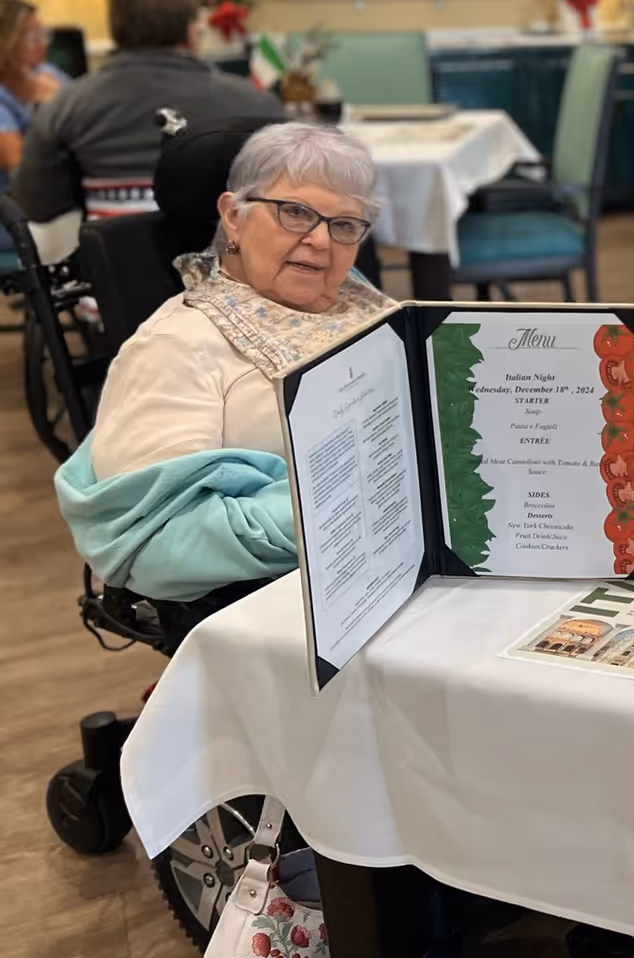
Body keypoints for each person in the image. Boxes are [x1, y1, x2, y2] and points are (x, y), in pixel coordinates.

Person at [56, 122, 393, 602]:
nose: (321, 240)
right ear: (234, 215)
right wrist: (351, 503)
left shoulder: (356, 297)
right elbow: (152, 545)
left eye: (344, 225)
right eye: (295, 213)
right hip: (298, 601)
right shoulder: (176, 345)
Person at [13, 0, 282, 223]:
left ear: (117, 33)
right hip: (230, 262)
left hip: (114, 266)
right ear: (190, 33)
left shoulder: (65, 106)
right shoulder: (256, 103)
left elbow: (35, 206)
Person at [0, 0, 69, 197]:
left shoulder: (46, 72)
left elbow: (89, 116)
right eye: (33, 37)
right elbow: (20, 168)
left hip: (54, 199)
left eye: (43, 33)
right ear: (6, 43)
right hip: (12, 210)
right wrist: (48, 107)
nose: (44, 43)